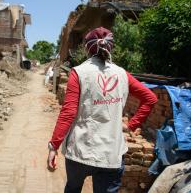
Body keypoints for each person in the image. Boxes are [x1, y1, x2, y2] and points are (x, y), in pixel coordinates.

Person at [47, 27, 157, 193]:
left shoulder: (79, 73)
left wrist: (53, 147)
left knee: (73, 188)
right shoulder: (122, 74)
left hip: (80, 151)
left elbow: (68, 113)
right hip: (111, 153)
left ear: (87, 48)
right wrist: (132, 124)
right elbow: (150, 98)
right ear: (111, 47)